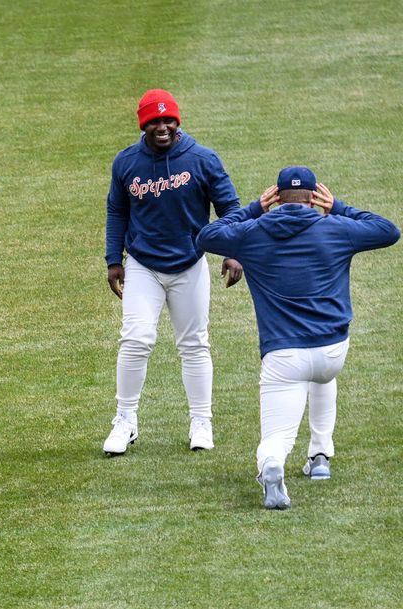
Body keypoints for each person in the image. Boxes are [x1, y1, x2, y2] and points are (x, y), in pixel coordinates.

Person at [197, 167, 399, 509]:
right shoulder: (336, 228)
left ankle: (273, 464)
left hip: (283, 357)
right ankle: (320, 456)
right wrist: (338, 206)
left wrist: (253, 209)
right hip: (332, 353)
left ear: (276, 197)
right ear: (312, 197)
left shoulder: (252, 232)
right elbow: (388, 230)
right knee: (322, 378)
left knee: (276, 438)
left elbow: (206, 236)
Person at [103, 89, 245, 456]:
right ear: (143, 124)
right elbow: (117, 212)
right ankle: (125, 420)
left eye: (168, 120)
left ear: (177, 122)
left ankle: (201, 421)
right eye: (154, 121)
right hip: (143, 265)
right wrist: (113, 260)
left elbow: (230, 207)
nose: (162, 127)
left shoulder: (203, 159)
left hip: (190, 263)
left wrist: (232, 250)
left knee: (195, 344)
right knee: (135, 339)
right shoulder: (126, 162)